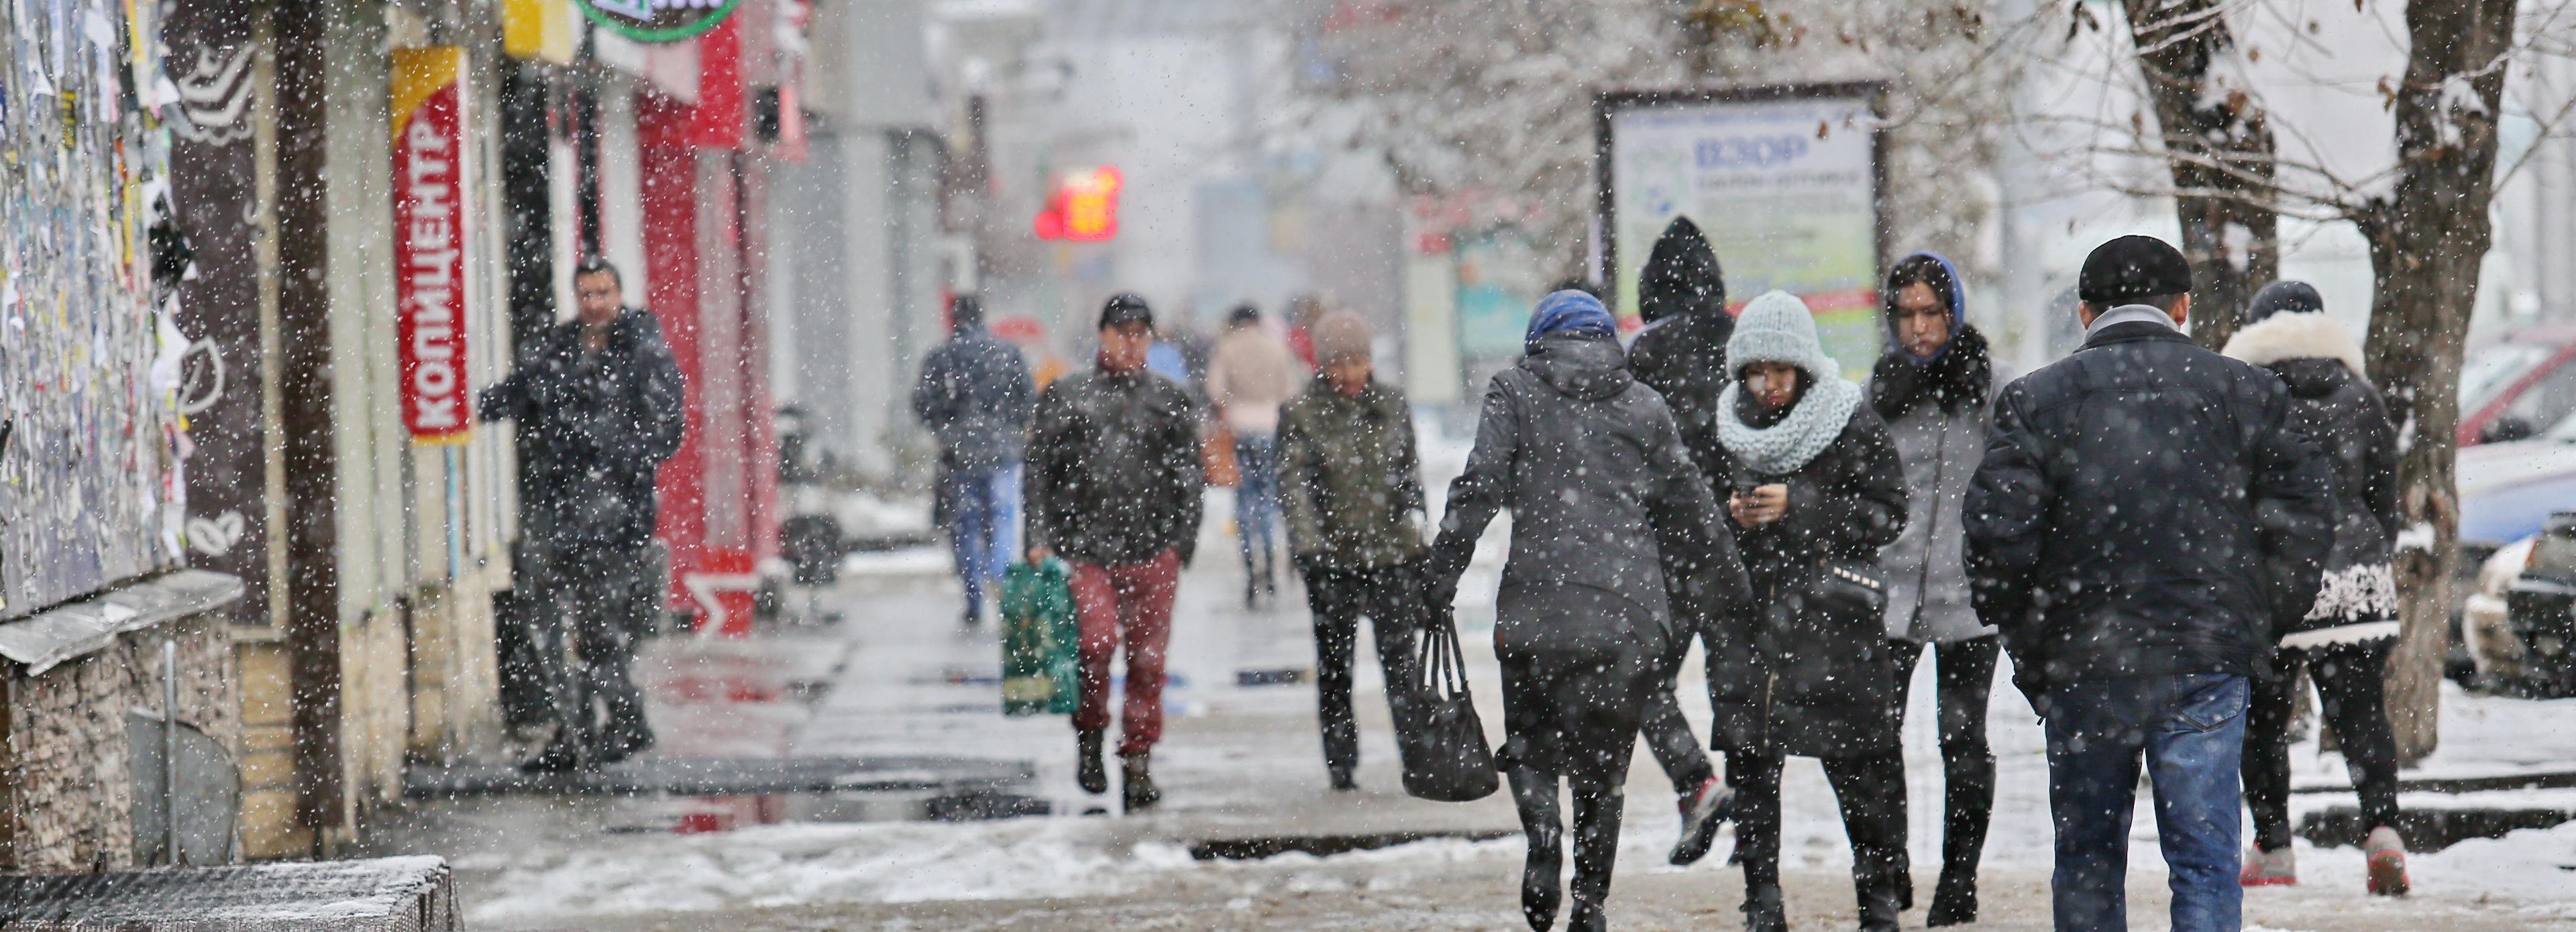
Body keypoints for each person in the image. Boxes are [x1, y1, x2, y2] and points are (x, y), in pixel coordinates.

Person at [1965, 235, 2334, 932]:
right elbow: (2305, 518)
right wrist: (2254, 623)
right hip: (2205, 654)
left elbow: (1995, 538)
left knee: (2088, 857)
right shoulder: (2245, 392)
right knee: (2204, 858)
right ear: (2184, 307)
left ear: (2083, 312)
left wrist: (2036, 645)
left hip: (2086, 663)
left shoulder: (2038, 401)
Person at [1425, 290, 1746, 932]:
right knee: (1604, 775)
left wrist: (1440, 575)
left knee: (1534, 748)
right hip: (1621, 616)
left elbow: (1480, 483)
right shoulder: (1644, 404)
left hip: (1534, 612)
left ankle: (1543, 838)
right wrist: (1735, 591)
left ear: (1540, 337)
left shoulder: (1513, 390)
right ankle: (1590, 903)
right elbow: (1692, 507)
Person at [1701, 290, 1912, 932]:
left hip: (1834, 627)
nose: (1769, 386)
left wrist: (1803, 505)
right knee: (1753, 771)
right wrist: (1731, 516)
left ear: (1806, 368)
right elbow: (1693, 515)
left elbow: (1889, 511)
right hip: (1750, 628)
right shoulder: (1724, 426)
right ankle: (1762, 902)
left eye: (1782, 371)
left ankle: (1877, 901)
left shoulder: (1848, 419)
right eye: (1757, 372)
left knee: (1858, 772)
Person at [2220, 280, 2411, 895]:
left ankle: (2273, 847)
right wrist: (2368, 547)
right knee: (2362, 715)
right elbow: (2385, 495)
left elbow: (2229, 494)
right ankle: (2383, 830)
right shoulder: (2360, 394)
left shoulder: (2243, 394)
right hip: (2354, 578)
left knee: (2263, 722)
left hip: (2274, 577)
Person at [479, 255, 686, 773]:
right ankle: (575, 729)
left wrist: (602, 444)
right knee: (549, 626)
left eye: (603, 294)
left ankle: (622, 718)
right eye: (586, 294)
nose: (594, 305)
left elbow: (665, 432)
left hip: (616, 515)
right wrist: (464, 405)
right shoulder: (559, 348)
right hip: (559, 509)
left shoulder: (644, 351)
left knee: (599, 627)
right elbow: (519, 391)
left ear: (620, 294)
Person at [1866, 251, 2015, 925]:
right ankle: (1889, 865)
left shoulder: (1993, 389)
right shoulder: (1878, 394)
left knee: (1962, 739)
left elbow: (2023, 483)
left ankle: (1960, 878)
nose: (1919, 328)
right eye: (1907, 314)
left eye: (1932, 312)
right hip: (1886, 596)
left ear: (1954, 311)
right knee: (1874, 736)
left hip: (1970, 595)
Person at [1024, 292, 1205, 813]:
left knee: (1149, 664)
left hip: (1152, 550)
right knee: (1095, 646)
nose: (1132, 343)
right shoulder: (1067, 396)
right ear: (1102, 335)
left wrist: (1181, 542)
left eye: (1141, 333)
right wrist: (1038, 537)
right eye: (1122, 332)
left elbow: (1189, 476)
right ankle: (1089, 736)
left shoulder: (1169, 400)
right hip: (1086, 550)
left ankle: (1138, 759)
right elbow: (1038, 471)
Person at [1623, 215, 1739, 866]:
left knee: (1640, 679)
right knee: (1740, 692)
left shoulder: (1643, 353)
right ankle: (1754, 818)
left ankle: (1694, 780)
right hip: (1740, 546)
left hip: (1665, 551)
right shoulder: (1740, 342)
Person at [1278, 311, 1424, 792]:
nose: (1349, 375)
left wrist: (1416, 533)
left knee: (1401, 666)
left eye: (1358, 362)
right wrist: (1309, 548)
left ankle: (1415, 757)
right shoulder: (1302, 413)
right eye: (1338, 364)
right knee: (1336, 667)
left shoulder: (1392, 405)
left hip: (1390, 556)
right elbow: (1294, 486)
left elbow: (1409, 475)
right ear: (1321, 365)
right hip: (1334, 561)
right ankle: (1341, 763)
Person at [912, 295, 1034, 626]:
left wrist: (946, 429)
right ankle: (1000, 575)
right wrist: (1010, 428)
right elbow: (1026, 398)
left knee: (965, 526)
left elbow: (924, 403)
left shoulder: (941, 356)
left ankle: (973, 596)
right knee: (1004, 517)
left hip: (959, 456)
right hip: (1003, 452)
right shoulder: (1007, 352)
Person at [1206, 303, 1306, 605]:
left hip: (1239, 428)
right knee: (1268, 496)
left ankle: (1252, 566)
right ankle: (1272, 564)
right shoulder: (1275, 349)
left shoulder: (1227, 349)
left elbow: (1214, 388)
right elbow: (1290, 390)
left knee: (1244, 498)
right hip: (1271, 427)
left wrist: (1231, 404)